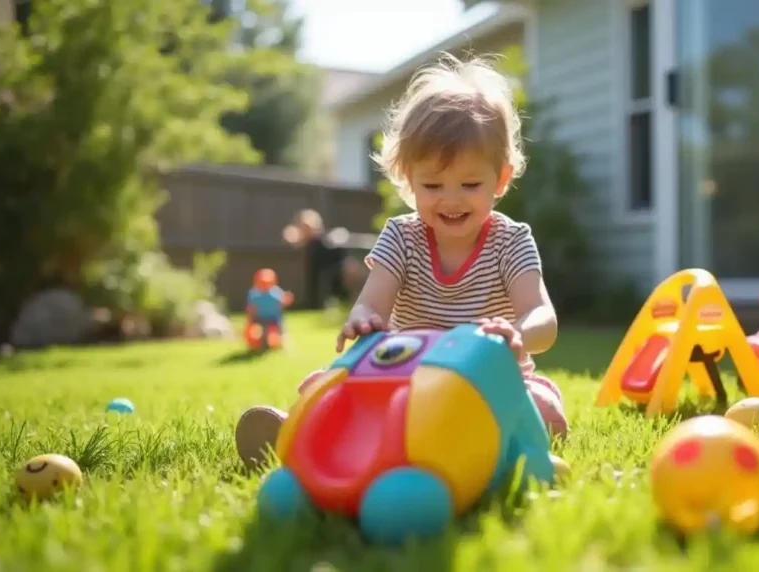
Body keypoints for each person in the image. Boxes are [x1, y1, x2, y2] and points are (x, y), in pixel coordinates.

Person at [234, 54, 568, 469]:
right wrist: (364, 320)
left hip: (491, 381)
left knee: (544, 411)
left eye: (469, 183)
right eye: (432, 184)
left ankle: (461, 441)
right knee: (327, 386)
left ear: (500, 178)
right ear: (408, 180)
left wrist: (517, 334)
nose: (450, 198)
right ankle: (294, 434)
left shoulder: (511, 240)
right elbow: (372, 303)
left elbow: (542, 316)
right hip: (408, 378)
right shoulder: (402, 236)